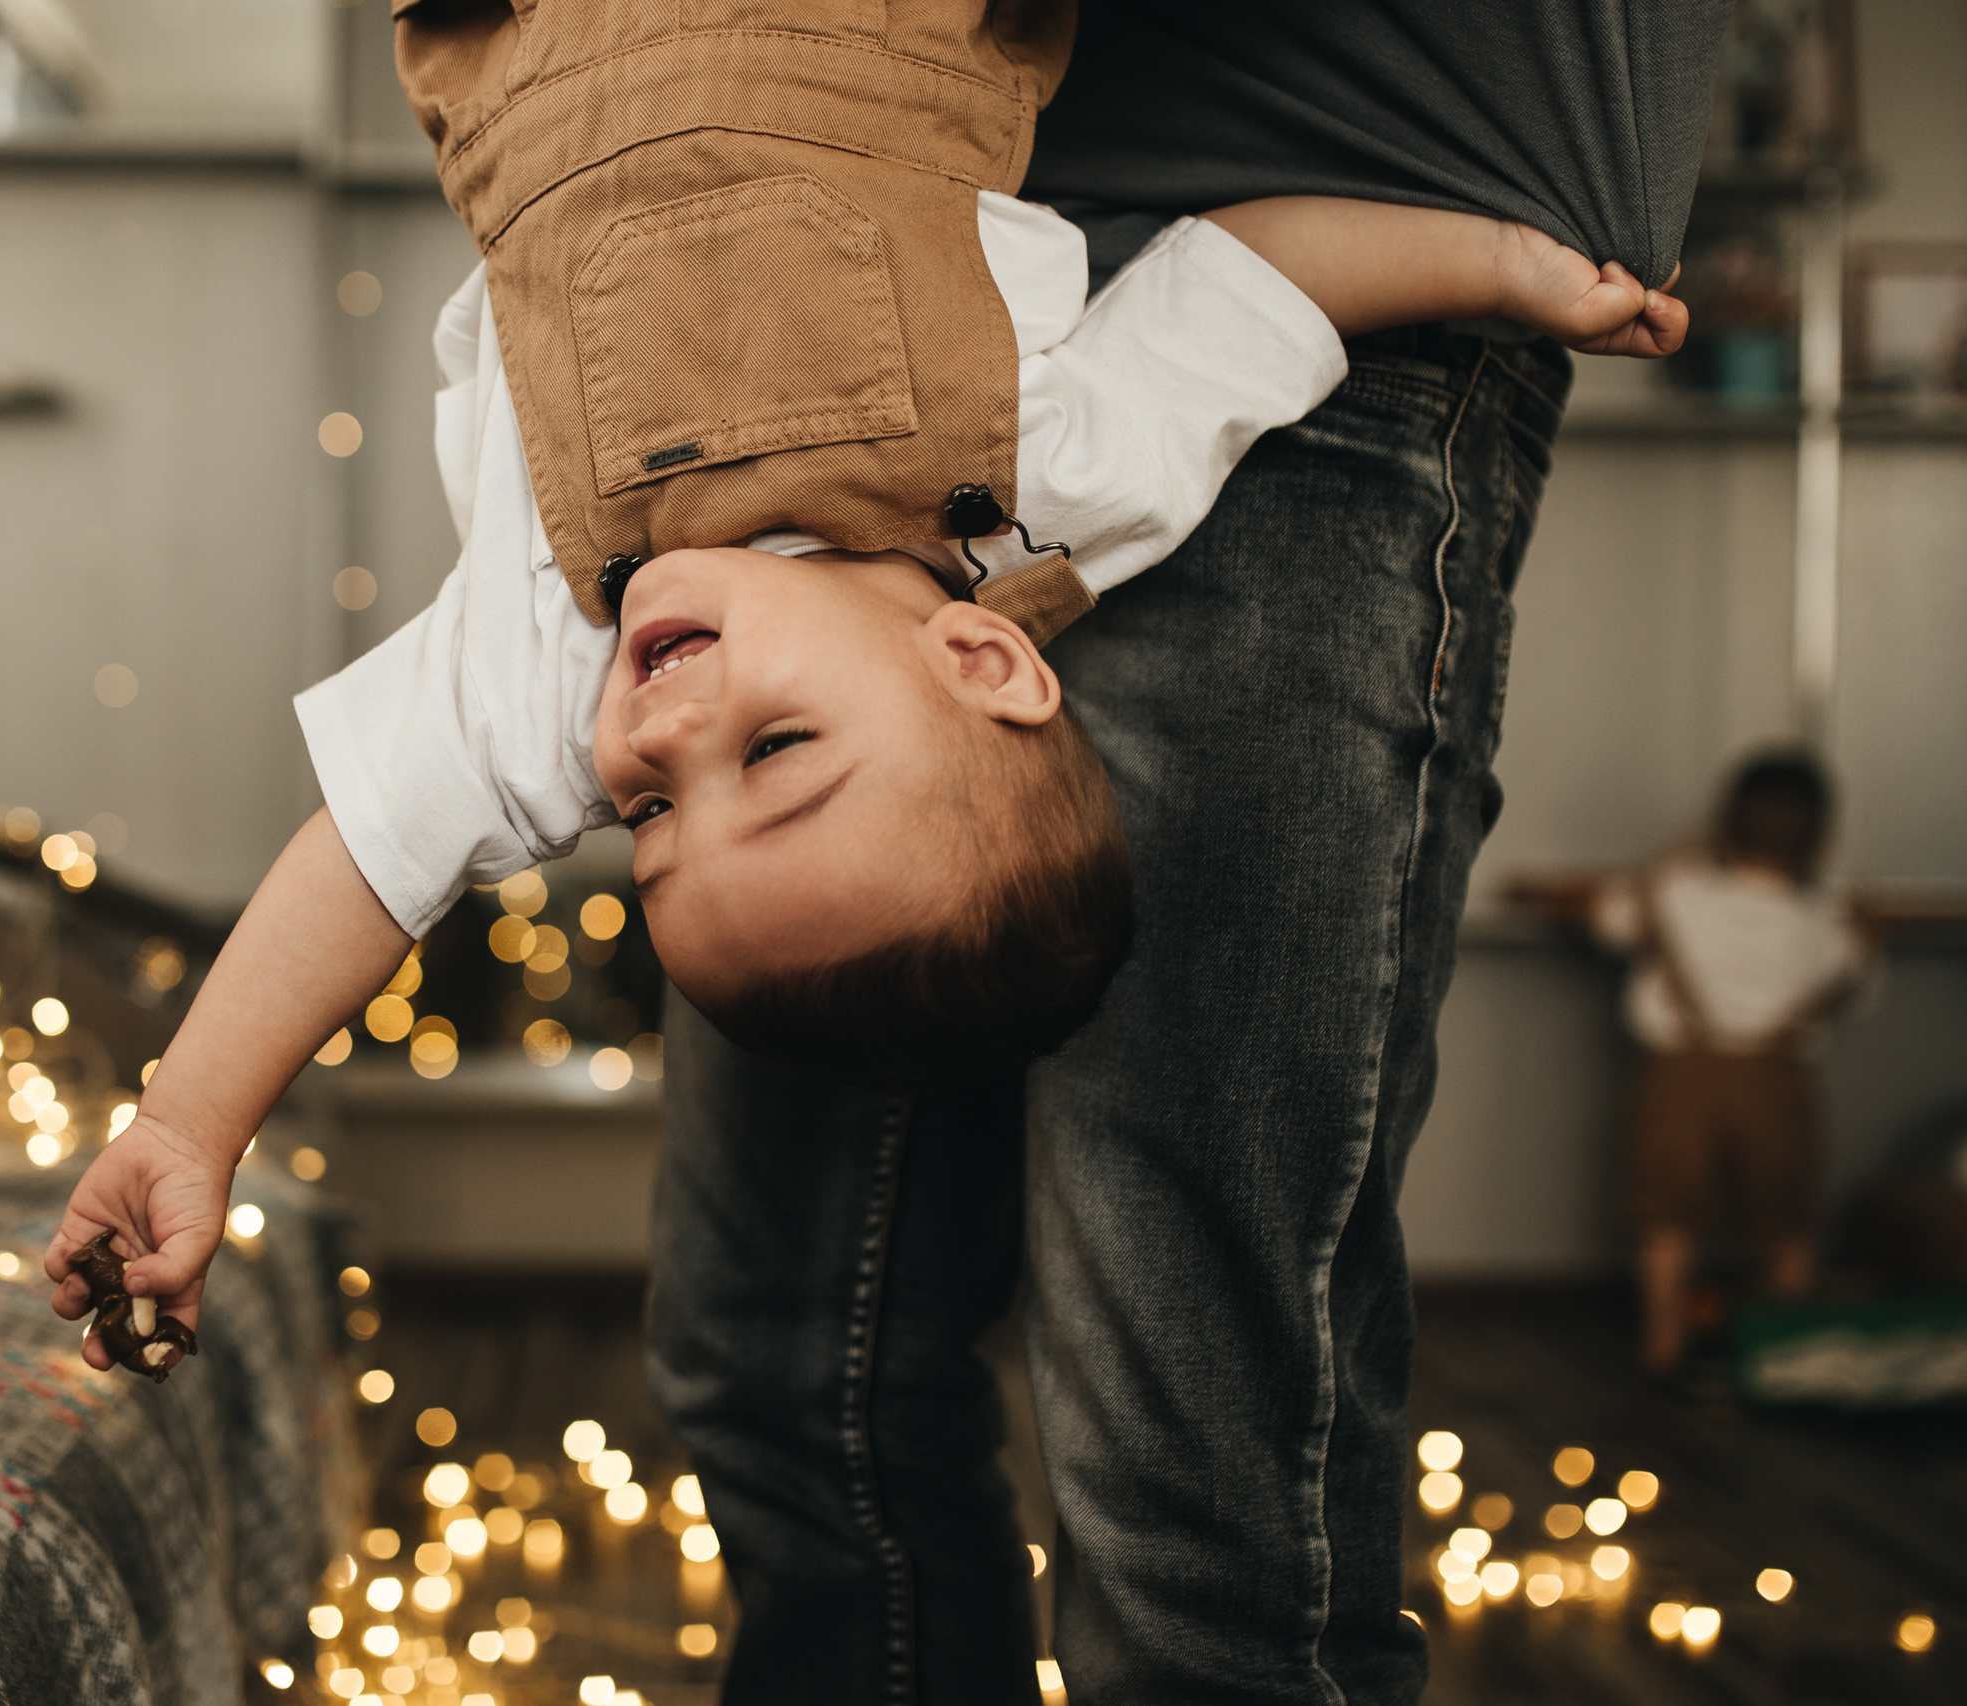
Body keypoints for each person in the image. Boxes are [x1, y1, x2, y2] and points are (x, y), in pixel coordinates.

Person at [41, 0, 1690, 1378]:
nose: (665, 734)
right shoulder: (1060, 486)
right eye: (778, 748)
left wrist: (188, 1128)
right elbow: (1255, 283)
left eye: (648, 811)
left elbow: (366, 862)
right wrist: (1498, 264)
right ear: (980, 658)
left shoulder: (553, 653)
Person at [642, 5, 1735, 1705]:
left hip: (1333, 297)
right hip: (855, 314)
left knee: (1188, 1446)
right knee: (781, 1365)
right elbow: (385, 832)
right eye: (647, 815)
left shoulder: (1125, 415)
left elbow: (1253, 277)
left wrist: (1507, 266)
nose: (646, 760)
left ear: (986, 662)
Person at [1566, 752, 1872, 1374]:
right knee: (1786, 1217)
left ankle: (1664, 1338)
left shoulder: (1679, 893)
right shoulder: (1825, 920)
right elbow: (1860, 987)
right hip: (1778, 1081)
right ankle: (1787, 1348)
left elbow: (1607, 916)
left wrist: (1678, 853)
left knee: (1666, 1210)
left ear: (1724, 825)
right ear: (1821, 839)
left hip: (1680, 1075)